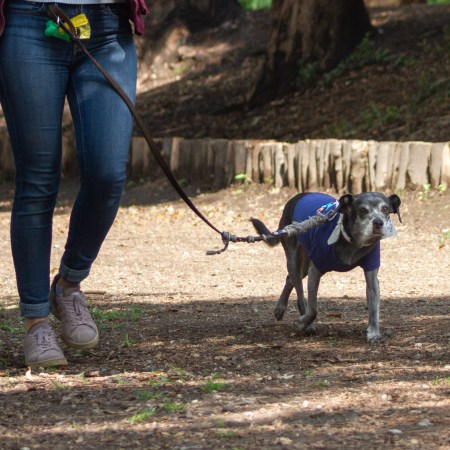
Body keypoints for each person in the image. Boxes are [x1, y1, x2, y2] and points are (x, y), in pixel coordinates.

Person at [0, 0, 149, 368]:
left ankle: (68, 285)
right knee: (37, 178)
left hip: (108, 27)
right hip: (30, 21)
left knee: (107, 173)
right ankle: (36, 320)